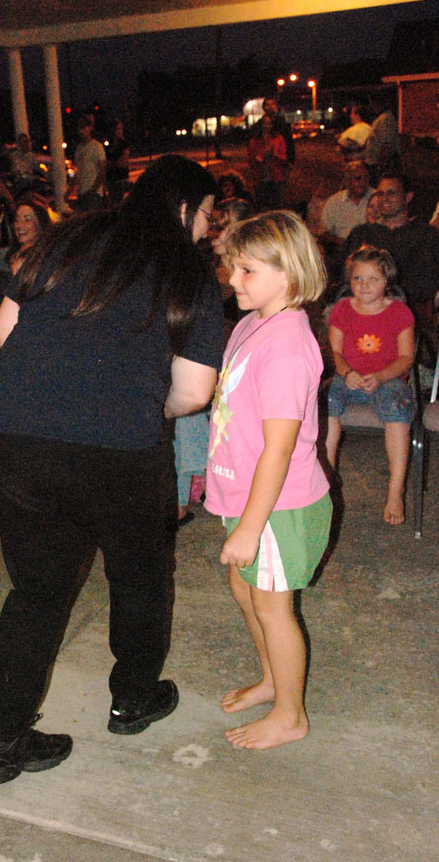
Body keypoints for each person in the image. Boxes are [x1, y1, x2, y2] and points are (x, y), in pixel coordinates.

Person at [0, 155, 224, 785]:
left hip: (15, 434)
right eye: (208, 215)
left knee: (35, 593)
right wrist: (134, 400)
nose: (208, 229)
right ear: (187, 207)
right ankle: (133, 698)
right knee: (139, 575)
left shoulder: (69, 236)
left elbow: (4, 329)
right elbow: (193, 394)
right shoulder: (187, 268)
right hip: (116, 449)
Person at [205, 210, 331, 750]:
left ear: (289, 274)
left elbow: (279, 449)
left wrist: (250, 529)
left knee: (274, 607)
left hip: (279, 507)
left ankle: (290, 714)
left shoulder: (285, 346)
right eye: (233, 267)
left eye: (247, 270)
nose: (233, 279)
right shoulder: (253, 323)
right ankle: (275, 680)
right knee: (246, 590)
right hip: (247, 496)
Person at [325, 246, 415, 525]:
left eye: (373, 279)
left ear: (387, 282)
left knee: (396, 408)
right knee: (324, 401)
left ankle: (394, 490)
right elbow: (335, 352)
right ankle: (326, 480)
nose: (364, 285)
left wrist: (382, 376)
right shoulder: (341, 310)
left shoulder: (400, 312)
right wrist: (346, 371)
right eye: (357, 279)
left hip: (387, 379)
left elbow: (406, 357)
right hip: (349, 377)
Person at [342, 171, 439, 338]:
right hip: (363, 315)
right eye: (380, 193)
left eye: (391, 192)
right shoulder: (362, 234)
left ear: (408, 197)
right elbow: (343, 274)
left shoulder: (427, 237)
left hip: (411, 320)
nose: (384, 198)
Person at [0, 194, 52, 311]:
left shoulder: (48, 259)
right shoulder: (4, 256)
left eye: (27, 220)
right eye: (17, 220)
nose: (20, 225)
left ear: (41, 224)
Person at [320, 160, 372, 246]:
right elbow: (323, 232)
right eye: (358, 178)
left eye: (366, 178)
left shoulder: (376, 197)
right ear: (347, 181)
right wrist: (343, 243)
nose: (362, 182)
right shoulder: (334, 202)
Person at [247, 114, 288, 211]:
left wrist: (275, 154)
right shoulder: (254, 141)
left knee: (276, 206)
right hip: (260, 179)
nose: (267, 127)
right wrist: (261, 155)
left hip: (276, 177)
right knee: (262, 207)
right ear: (261, 125)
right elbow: (251, 161)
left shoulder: (278, 139)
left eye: (269, 124)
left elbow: (284, 159)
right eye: (265, 124)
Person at [71, 114, 106, 211]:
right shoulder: (78, 148)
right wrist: (70, 190)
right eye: (80, 128)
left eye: (84, 127)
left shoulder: (97, 147)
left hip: (93, 194)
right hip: (81, 192)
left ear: (90, 128)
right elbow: (77, 171)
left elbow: (102, 170)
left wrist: (94, 190)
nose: (81, 131)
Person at [105, 120, 130, 207]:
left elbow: (123, 162)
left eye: (121, 129)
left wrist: (111, 164)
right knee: (111, 202)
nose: (119, 131)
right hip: (111, 178)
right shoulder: (109, 144)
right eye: (117, 129)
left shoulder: (123, 144)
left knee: (118, 202)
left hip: (120, 178)